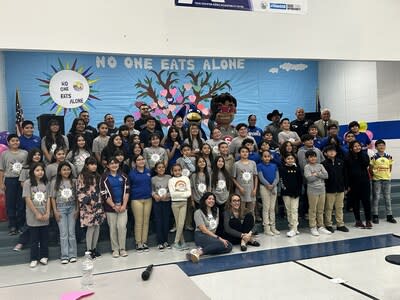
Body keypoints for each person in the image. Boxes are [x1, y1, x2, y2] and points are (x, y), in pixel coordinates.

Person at [186, 192, 232, 263]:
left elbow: (215, 227)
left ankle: (199, 250)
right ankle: (199, 253)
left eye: (213, 199)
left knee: (229, 246)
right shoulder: (198, 212)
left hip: (211, 236)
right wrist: (218, 238)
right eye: (209, 199)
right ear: (204, 200)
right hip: (200, 235)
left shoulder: (216, 210)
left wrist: (215, 238)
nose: (211, 201)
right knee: (221, 243)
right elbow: (203, 230)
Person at [13, 148, 43, 252]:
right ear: (31, 156)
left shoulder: (43, 167)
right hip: (30, 198)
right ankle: (21, 242)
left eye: (39, 154)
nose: (37, 156)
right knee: (29, 221)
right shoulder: (25, 168)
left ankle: (40, 242)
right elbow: (22, 183)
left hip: (42, 199)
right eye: (35, 155)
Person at [77, 157, 106, 259]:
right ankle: (89, 250)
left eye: (95, 164)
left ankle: (94, 248)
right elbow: (80, 192)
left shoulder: (98, 176)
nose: (94, 166)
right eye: (91, 164)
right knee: (91, 228)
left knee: (97, 226)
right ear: (86, 165)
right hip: (88, 206)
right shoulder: (82, 176)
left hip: (98, 204)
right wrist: (89, 201)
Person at [101, 157, 130, 258]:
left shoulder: (124, 176)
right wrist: (113, 206)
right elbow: (104, 194)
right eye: (111, 163)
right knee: (113, 228)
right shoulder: (104, 177)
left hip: (122, 207)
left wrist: (124, 205)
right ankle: (115, 249)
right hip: (110, 208)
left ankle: (122, 248)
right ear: (108, 165)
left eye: (116, 163)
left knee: (122, 227)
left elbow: (127, 192)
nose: (114, 165)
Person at [22, 162, 50, 268]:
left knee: (44, 238)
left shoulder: (46, 183)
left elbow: (48, 199)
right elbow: (28, 199)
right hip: (33, 215)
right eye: (37, 170)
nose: (40, 172)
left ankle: (44, 256)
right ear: (33, 172)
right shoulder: (28, 183)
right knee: (34, 239)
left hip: (44, 214)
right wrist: (36, 213)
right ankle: (33, 258)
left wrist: (47, 212)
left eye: (42, 170)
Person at [50, 162, 78, 264]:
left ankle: (72, 255)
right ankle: (65, 256)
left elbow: (77, 198)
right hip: (61, 209)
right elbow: (52, 198)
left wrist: (77, 209)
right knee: (63, 233)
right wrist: (55, 211)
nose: (66, 171)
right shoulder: (55, 182)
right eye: (64, 169)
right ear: (59, 171)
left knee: (71, 232)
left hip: (72, 208)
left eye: (68, 169)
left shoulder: (74, 181)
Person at [0, 134, 28, 235]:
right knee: (10, 203)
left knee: (21, 203)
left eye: (17, 140)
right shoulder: (4, 154)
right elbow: (2, 169)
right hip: (10, 180)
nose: (15, 142)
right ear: (8, 143)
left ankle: (21, 224)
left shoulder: (24, 153)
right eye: (12, 141)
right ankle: (12, 225)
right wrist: (1, 183)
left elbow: (27, 168)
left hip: (22, 181)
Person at [322, 145, 349, 233]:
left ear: (336, 152)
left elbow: (345, 175)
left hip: (340, 188)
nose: (332, 152)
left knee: (339, 207)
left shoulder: (341, 162)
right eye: (329, 151)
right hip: (329, 189)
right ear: (325, 153)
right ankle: (328, 224)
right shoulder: (323, 164)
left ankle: (340, 224)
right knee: (329, 208)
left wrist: (346, 186)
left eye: (333, 151)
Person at [345, 141, 372, 229]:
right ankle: (358, 221)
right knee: (355, 202)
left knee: (366, 202)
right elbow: (346, 172)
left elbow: (366, 164)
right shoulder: (347, 157)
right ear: (351, 148)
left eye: (359, 146)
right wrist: (347, 185)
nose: (357, 147)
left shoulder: (364, 155)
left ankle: (368, 220)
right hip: (353, 183)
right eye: (355, 146)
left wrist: (360, 155)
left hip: (364, 182)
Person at [129, 154, 152, 252]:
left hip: (148, 199)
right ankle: (138, 243)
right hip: (136, 199)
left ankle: (144, 242)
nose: (141, 161)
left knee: (146, 221)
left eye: (142, 159)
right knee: (139, 222)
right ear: (135, 162)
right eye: (138, 160)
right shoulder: (132, 173)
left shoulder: (148, 172)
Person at [304, 150, 330, 236]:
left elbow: (326, 176)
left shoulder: (320, 165)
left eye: (314, 156)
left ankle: (321, 226)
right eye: (310, 157)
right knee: (313, 209)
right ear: (307, 158)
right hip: (312, 190)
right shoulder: (307, 167)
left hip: (322, 189)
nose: (313, 158)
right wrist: (319, 175)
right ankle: (313, 226)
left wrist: (316, 174)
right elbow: (309, 179)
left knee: (320, 209)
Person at [370, 139, 396, 224]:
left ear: (385, 146)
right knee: (376, 198)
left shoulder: (389, 156)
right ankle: (375, 216)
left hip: (386, 180)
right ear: (376, 147)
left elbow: (390, 167)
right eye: (379, 145)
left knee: (387, 198)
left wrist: (386, 175)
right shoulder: (374, 157)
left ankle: (389, 215)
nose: (381, 146)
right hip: (377, 180)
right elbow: (370, 168)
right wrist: (375, 175)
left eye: (383, 145)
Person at [168, 164, 191, 250]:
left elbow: (189, 193)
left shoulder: (186, 179)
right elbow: (172, 194)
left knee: (181, 223)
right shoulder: (171, 180)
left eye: (179, 170)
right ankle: (180, 242)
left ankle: (177, 242)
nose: (177, 172)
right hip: (175, 203)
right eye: (175, 170)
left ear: (181, 170)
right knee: (179, 224)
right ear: (172, 172)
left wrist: (179, 194)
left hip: (184, 203)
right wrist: (183, 194)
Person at [279, 153, 302, 237]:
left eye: (292, 158)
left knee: (294, 210)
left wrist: (298, 191)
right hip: (286, 193)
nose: (290, 160)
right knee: (289, 211)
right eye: (288, 158)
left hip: (295, 193)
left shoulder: (297, 169)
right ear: (285, 160)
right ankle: (292, 226)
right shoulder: (282, 169)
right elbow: (281, 181)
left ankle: (294, 229)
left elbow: (300, 181)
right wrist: (285, 189)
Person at [257, 150, 280, 236]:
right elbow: (261, 177)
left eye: (268, 156)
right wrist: (267, 185)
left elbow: (277, 177)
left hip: (274, 187)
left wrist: (273, 185)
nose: (267, 158)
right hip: (264, 187)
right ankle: (266, 227)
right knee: (266, 207)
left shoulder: (274, 165)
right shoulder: (259, 165)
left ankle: (273, 226)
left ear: (270, 157)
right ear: (262, 157)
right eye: (265, 156)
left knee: (272, 208)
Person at [232, 146, 258, 216]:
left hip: (251, 191)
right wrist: (239, 188)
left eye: (246, 152)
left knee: (251, 211)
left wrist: (255, 189)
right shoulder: (236, 164)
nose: (245, 153)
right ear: (239, 153)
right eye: (243, 152)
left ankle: (251, 225)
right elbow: (233, 178)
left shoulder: (253, 163)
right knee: (241, 210)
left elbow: (255, 177)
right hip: (241, 191)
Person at [151, 162, 172, 251]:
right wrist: (154, 195)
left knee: (166, 221)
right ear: (156, 170)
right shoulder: (153, 179)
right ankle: (160, 242)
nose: (161, 169)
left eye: (163, 167)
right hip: (157, 202)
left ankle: (166, 241)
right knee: (159, 221)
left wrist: (167, 195)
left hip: (166, 202)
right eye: (159, 168)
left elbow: (172, 189)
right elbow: (151, 190)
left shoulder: (169, 178)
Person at [211, 156, 232, 235]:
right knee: (216, 218)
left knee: (224, 217)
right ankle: (217, 234)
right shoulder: (212, 173)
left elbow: (228, 187)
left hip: (225, 198)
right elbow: (211, 187)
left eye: (222, 161)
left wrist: (227, 197)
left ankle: (224, 234)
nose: (220, 163)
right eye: (219, 161)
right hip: (215, 199)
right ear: (216, 162)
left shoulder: (226, 173)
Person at [188, 156, 211, 230]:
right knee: (197, 217)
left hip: (206, 200)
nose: (202, 163)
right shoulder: (193, 175)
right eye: (200, 162)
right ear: (197, 164)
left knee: (205, 217)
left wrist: (209, 199)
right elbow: (191, 188)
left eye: (203, 161)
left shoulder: (208, 174)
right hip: (197, 199)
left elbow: (209, 187)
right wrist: (192, 200)